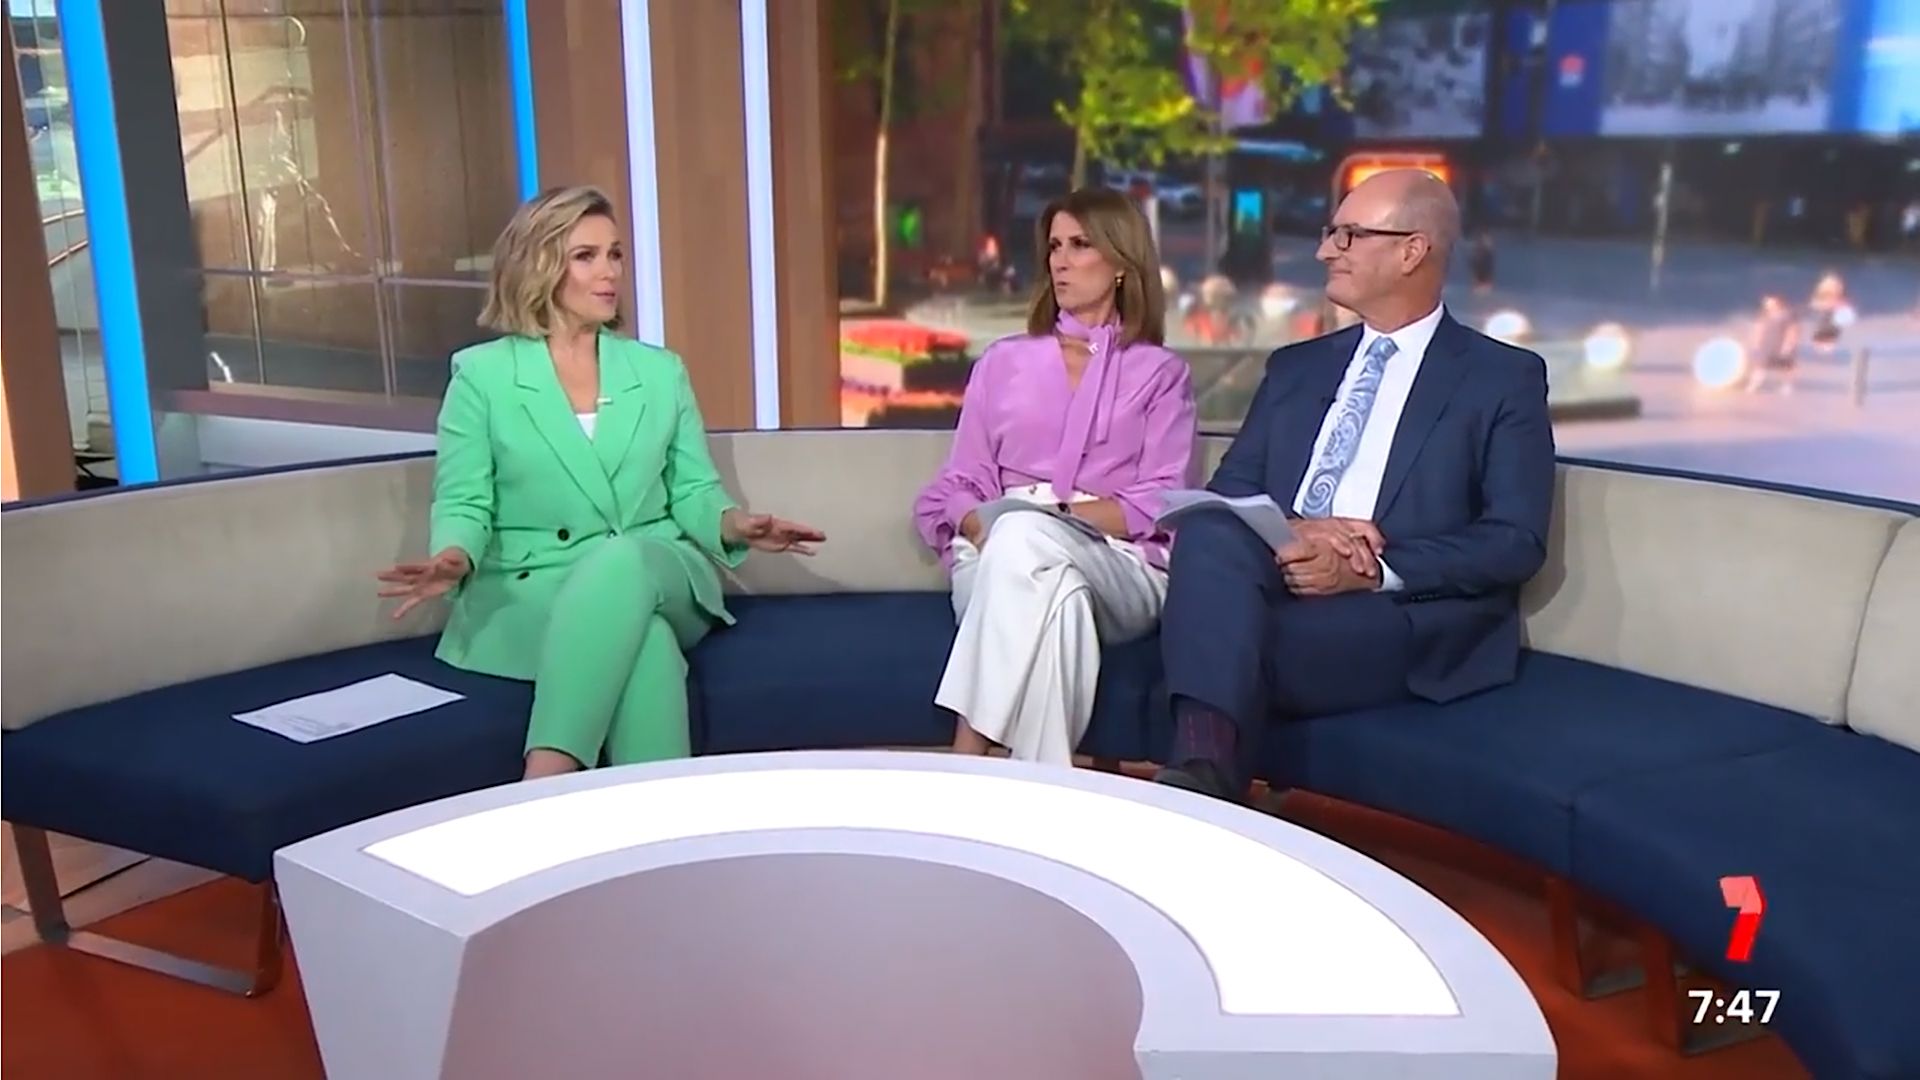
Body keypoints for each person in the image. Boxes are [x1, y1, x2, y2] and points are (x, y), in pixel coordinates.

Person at [377, 186, 825, 781]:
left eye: (614, 254)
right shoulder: (482, 376)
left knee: (622, 561)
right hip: (537, 587)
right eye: (586, 256)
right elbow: (464, 497)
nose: (610, 271)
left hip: (659, 564)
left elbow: (693, 489)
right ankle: (656, 829)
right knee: (647, 644)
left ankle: (545, 778)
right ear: (539, 265)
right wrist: (455, 555)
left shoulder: (658, 372)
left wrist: (733, 524)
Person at [1152, 169, 1555, 801]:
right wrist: (1300, 535)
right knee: (1208, 528)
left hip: (1401, 609)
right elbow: (1234, 493)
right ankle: (1206, 779)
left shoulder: (1501, 378)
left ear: (1412, 251)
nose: (1324, 251)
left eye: (1348, 235)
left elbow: (1514, 540)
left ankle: (1200, 779)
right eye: (1329, 233)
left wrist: (1369, 570)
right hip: (1278, 575)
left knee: (1224, 645)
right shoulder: (1296, 366)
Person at [913, 187, 1197, 765]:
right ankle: (1041, 789)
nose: (1060, 261)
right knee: (1058, 597)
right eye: (1054, 246)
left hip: (1116, 557)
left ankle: (967, 752)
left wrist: (1053, 521)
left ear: (1121, 262)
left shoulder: (1161, 373)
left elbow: (1162, 498)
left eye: (1080, 245)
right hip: (997, 548)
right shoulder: (1003, 361)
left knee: (1029, 536)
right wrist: (979, 524)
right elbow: (963, 478)